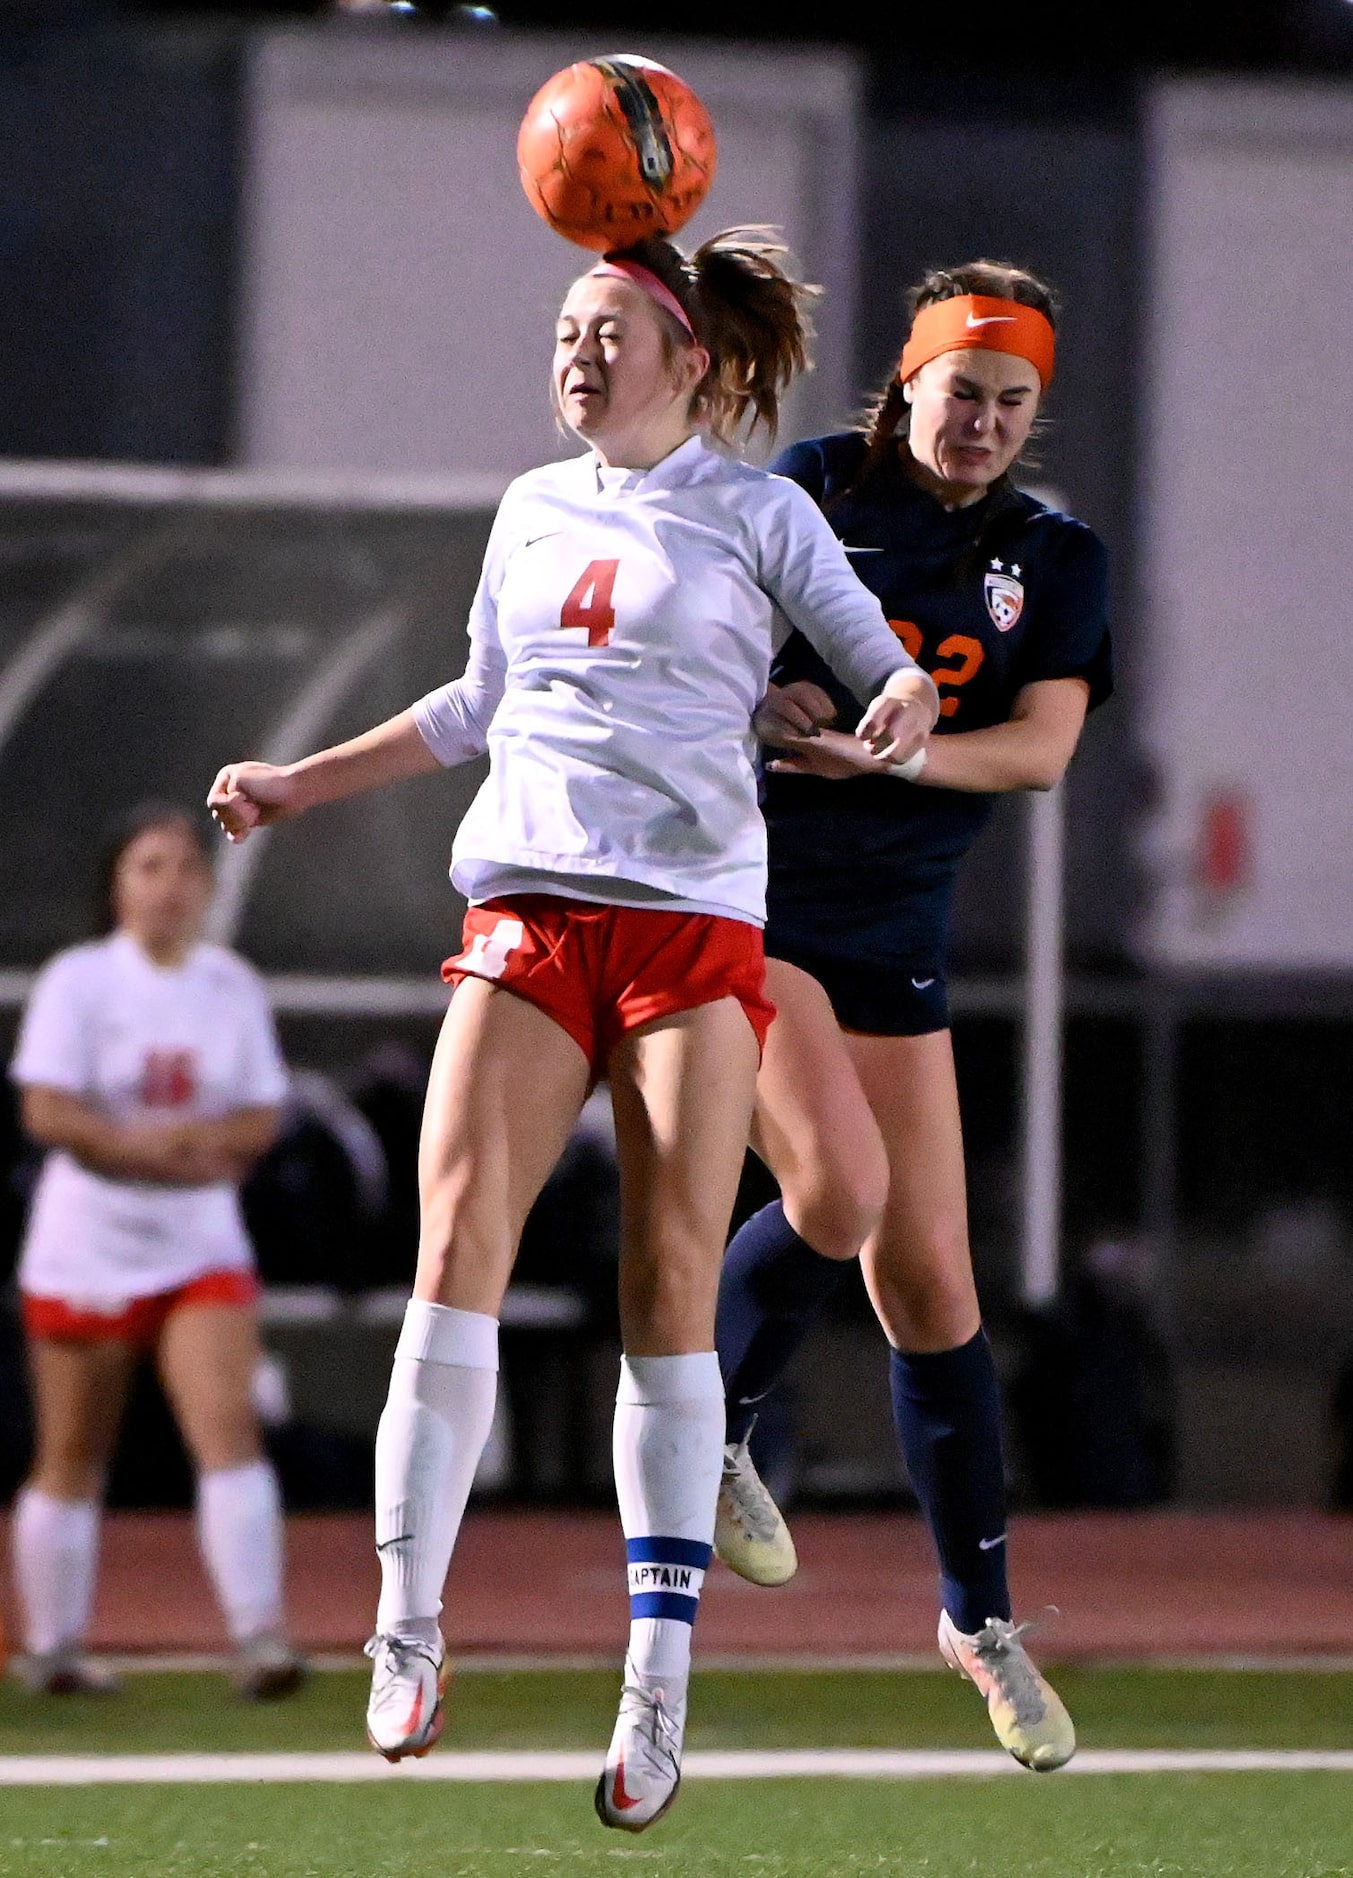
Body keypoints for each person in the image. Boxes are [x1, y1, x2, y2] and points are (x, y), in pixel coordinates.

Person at [207, 226, 938, 1832]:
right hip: (528, 911)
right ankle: (405, 1632)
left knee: (667, 1291)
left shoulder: (762, 511)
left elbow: (888, 674)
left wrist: (896, 708)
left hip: (689, 925)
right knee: (452, 1242)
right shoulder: (531, 508)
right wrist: (292, 782)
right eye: (565, 326)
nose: (579, 351)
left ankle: (654, 1689)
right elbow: (472, 705)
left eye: (612, 328)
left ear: (691, 362)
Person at [712, 260, 1112, 1772]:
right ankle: (709, 1419)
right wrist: (769, 708)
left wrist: (894, 757)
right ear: (905, 381)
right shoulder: (810, 487)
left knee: (934, 1289)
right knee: (835, 1187)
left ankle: (979, 1618)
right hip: (750, 902)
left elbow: (1038, 751)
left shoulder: (1051, 554)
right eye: (964, 393)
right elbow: (701, 662)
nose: (987, 424)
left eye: (1015, 403)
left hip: (898, 934)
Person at [7, 804, 303, 1698]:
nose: (170, 885)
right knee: (71, 1450)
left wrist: (200, 1150)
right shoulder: (79, 981)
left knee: (227, 1432)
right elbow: (48, 1109)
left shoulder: (230, 984)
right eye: (149, 867)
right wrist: (155, 1147)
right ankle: (53, 1648)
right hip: (90, 1234)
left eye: (184, 867)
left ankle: (260, 1638)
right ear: (116, 886)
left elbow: (261, 1109)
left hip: (197, 1232)